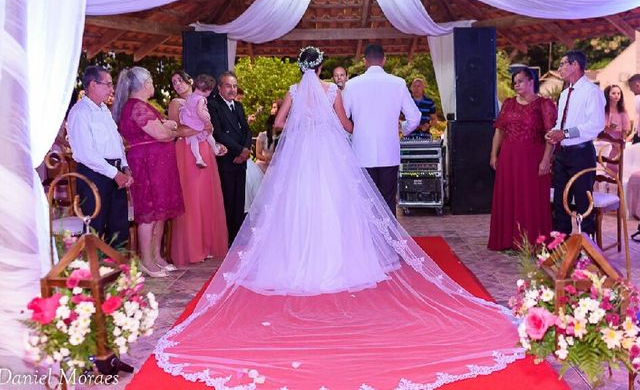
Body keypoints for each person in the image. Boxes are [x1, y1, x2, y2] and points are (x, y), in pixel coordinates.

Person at [155, 46, 522, 389]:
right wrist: (334, 127)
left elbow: (279, 124)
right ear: (319, 66)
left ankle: (297, 258)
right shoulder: (332, 91)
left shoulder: (295, 91)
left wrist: (302, 124)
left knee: (297, 207)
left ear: (301, 67)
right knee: (335, 206)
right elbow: (346, 127)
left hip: (300, 159)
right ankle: (338, 258)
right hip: (328, 157)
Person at [112, 66, 185, 277]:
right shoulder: (136, 107)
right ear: (145, 84)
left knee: (160, 212)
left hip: (158, 164)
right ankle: (146, 260)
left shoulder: (144, 106)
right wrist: (171, 129)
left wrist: (168, 128)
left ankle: (157, 256)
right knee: (149, 213)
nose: (153, 85)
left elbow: (164, 130)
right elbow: (162, 133)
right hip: (147, 164)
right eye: (152, 81)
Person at [342, 44, 421, 213]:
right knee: (388, 201)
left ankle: (368, 239)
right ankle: (388, 238)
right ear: (384, 60)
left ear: (365, 61)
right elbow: (415, 117)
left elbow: (342, 118)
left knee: (365, 204)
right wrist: (403, 129)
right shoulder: (398, 84)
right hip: (389, 152)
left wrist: (350, 136)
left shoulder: (352, 85)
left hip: (361, 152)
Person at [488, 67, 557, 251]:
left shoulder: (544, 104)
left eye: (520, 81)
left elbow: (551, 135)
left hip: (533, 158)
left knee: (530, 198)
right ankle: (508, 240)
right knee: (508, 196)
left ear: (531, 81)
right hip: (509, 157)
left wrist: (546, 160)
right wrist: (494, 154)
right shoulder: (508, 104)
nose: (516, 85)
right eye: (515, 82)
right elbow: (499, 130)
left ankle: (533, 242)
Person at [67, 65, 133, 248]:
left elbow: (116, 141)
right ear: (92, 85)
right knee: (95, 226)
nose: (112, 89)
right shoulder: (80, 113)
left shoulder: (104, 110)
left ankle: (120, 272)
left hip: (114, 171)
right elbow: (85, 153)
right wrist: (115, 174)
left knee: (118, 226)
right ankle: (95, 271)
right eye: (108, 84)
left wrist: (124, 166)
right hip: (94, 174)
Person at [168, 71, 229, 265]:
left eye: (180, 80)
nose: (177, 84)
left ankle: (208, 246)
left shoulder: (201, 100)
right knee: (192, 198)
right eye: (174, 82)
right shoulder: (176, 103)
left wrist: (216, 144)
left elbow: (208, 127)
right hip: (187, 151)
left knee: (206, 197)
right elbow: (176, 130)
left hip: (204, 149)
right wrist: (202, 128)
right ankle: (193, 249)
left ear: (190, 81)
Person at [545, 51, 606, 237]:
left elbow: (595, 125)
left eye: (562, 64)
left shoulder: (592, 91)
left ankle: (587, 251)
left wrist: (564, 133)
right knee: (560, 202)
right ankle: (560, 245)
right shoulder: (564, 94)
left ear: (575, 65)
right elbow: (563, 123)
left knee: (582, 202)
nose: (559, 68)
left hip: (581, 154)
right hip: (563, 154)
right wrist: (554, 133)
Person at [209, 71, 252, 244]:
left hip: (241, 162)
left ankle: (237, 240)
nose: (232, 90)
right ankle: (226, 241)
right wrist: (240, 150)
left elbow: (247, 130)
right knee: (227, 202)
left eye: (234, 86)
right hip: (226, 160)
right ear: (220, 87)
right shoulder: (213, 105)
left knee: (239, 202)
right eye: (228, 86)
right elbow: (218, 133)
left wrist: (246, 150)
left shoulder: (239, 106)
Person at [179, 74, 224, 168]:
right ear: (206, 90)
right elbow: (200, 112)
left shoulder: (190, 97)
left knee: (193, 140)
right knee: (209, 135)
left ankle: (198, 158)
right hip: (197, 122)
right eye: (210, 91)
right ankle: (215, 149)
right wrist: (207, 121)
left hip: (189, 122)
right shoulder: (201, 99)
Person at [602, 84, 630, 175]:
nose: (616, 95)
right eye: (613, 93)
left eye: (618, 93)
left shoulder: (623, 112)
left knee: (617, 161)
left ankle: (615, 179)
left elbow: (625, 130)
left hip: (618, 141)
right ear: (607, 94)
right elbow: (602, 128)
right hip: (605, 139)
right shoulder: (604, 110)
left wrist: (623, 141)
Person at [255, 99, 282, 173]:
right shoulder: (262, 135)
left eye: (275, 107)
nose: (272, 110)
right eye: (272, 107)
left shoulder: (283, 137)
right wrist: (267, 159)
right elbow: (258, 154)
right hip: (263, 166)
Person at [628, 74, 640, 144]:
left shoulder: (638, 98)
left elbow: (637, 116)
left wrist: (633, 133)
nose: (630, 90)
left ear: (637, 85)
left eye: (631, 87)